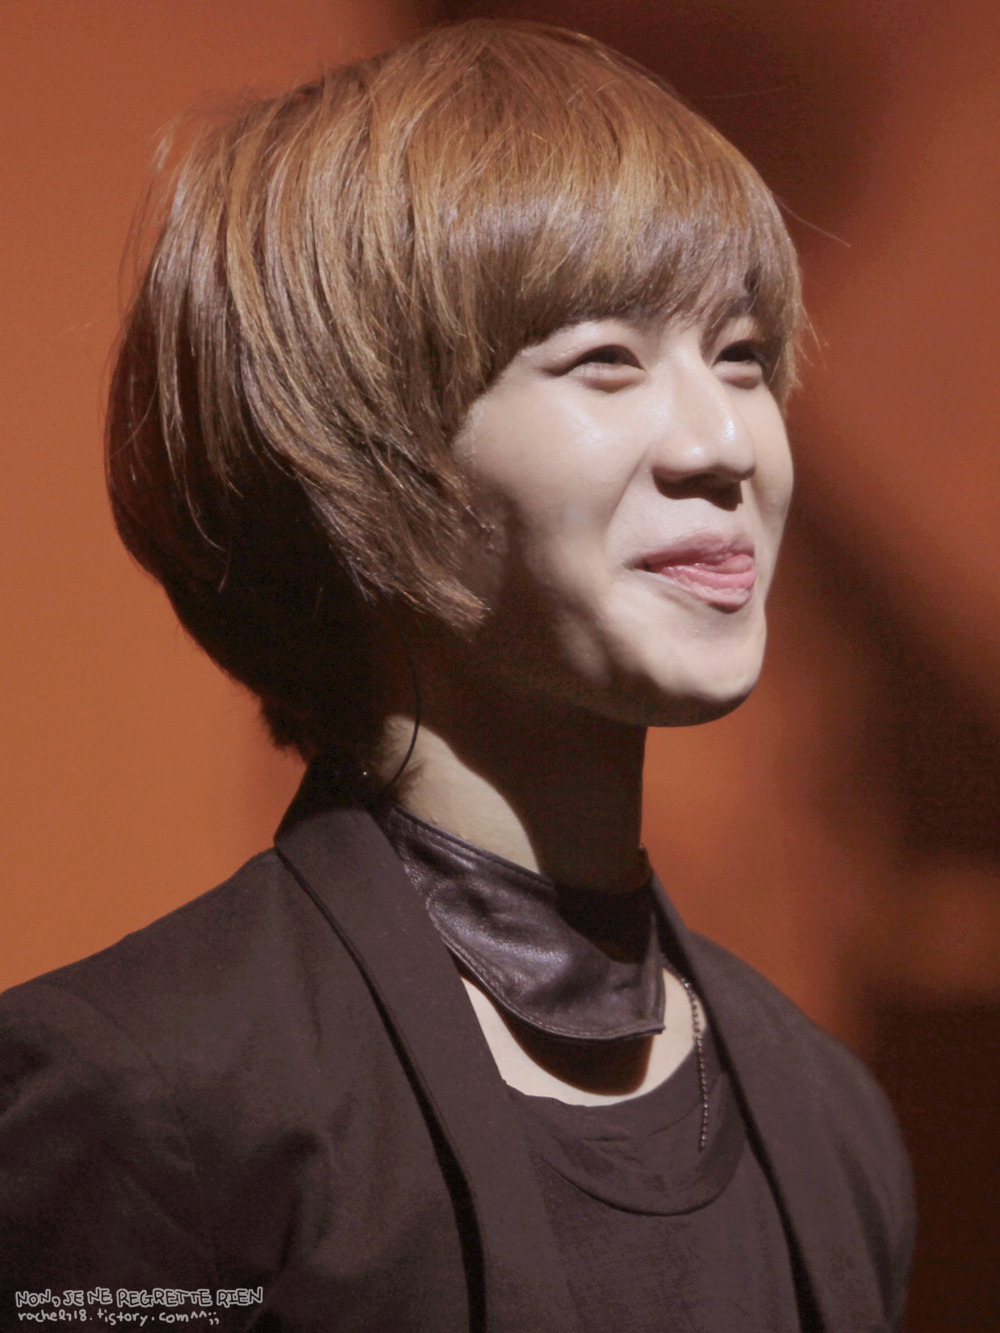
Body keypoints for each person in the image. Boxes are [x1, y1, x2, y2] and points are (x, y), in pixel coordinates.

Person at [0, 19, 913, 1332]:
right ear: (360, 458)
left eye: (744, 355)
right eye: (606, 360)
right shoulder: (157, 1106)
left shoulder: (828, 1123)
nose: (726, 441)